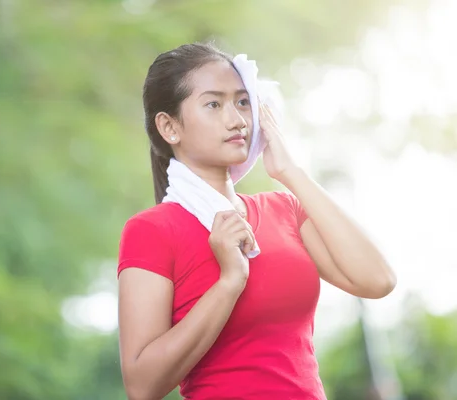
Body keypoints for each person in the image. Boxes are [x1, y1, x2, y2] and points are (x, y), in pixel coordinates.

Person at [117, 42, 396, 400]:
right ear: (169, 127)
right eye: (214, 104)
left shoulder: (284, 209)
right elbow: (142, 387)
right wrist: (229, 282)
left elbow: (378, 280)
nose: (237, 119)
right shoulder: (153, 230)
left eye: (243, 101)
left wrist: (290, 172)